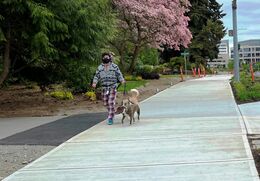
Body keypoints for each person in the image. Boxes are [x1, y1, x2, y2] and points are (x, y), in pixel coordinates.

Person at [92, 52, 125, 125]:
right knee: (105, 102)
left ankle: (110, 117)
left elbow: (119, 74)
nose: (106, 58)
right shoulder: (100, 67)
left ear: (110, 58)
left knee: (110, 102)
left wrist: (122, 80)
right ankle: (113, 111)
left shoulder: (114, 66)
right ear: (102, 58)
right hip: (104, 88)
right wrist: (94, 82)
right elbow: (96, 76)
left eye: (107, 57)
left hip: (112, 87)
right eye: (104, 57)